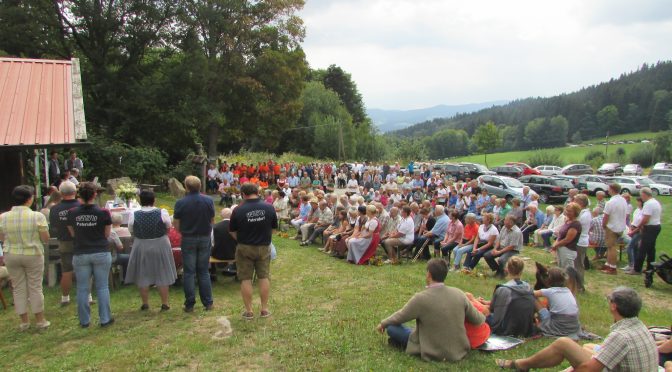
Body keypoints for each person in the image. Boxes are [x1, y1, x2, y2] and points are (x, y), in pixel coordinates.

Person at [496, 286, 658, 371]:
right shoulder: (638, 326)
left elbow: (589, 369)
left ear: (614, 306)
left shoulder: (621, 336)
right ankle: (523, 365)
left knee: (564, 344)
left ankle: (521, 364)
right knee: (586, 346)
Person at [376, 258, 485, 362]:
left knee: (391, 328)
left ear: (429, 275)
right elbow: (478, 320)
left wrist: (383, 324)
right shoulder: (459, 294)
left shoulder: (421, 298)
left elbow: (400, 316)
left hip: (430, 349)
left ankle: (404, 342)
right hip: (458, 350)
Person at [0, 185, 51, 330]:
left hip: (11, 254)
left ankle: (24, 322)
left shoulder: (3, 217)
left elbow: (2, 237)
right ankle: (40, 320)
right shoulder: (37, 216)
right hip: (32, 253)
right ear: (29, 199)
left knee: (18, 287)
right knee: (35, 286)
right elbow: (45, 238)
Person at [67, 182, 114, 328]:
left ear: (79, 195)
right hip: (100, 250)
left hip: (81, 251)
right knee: (102, 287)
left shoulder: (72, 212)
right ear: (94, 194)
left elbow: (72, 233)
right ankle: (105, 318)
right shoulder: (104, 213)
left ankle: (84, 320)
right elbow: (107, 234)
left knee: (82, 288)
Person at [229, 183, 278, 320]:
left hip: (245, 247)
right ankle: (264, 309)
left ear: (243, 194)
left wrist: (243, 239)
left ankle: (249, 311)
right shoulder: (269, 207)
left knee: (245, 278)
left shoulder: (238, 209)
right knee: (263, 277)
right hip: (263, 246)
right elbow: (274, 229)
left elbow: (232, 231)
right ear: (257, 192)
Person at [125, 190, 177, 311]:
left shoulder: (134, 213)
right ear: (153, 200)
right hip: (160, 243)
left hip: (142, 244)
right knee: (162, 271)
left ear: (140, 201)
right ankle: (164, 302)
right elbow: (168, 226)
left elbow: (131, 229)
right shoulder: (162, 212)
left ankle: (145, 303)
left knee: (143, 273)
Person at [173, 176, 215, 312]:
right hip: (204, 237)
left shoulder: (180, 203)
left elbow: (176, 224)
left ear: (186, 187)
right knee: (203, 271)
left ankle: (190, 303)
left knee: (189, 272)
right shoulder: (208, 201)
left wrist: (184, 231)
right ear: (200, 185)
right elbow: (212, 220)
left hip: (188, 237)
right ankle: (208, 303)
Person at [481, 257, 536, 337]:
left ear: (507, 269)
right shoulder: (529, 288)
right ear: (521, 270)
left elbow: (493, 309)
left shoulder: (504, 289)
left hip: (505, 329)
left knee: (482, 312)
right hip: (526, 328)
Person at [49, 181, 81, 306]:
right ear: (75, 192)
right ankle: (88, 296)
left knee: (66, 270)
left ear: (61, 193)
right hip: (81, 241)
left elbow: (53, 228)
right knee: (84, 268)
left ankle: (65, 297)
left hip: (64, 241)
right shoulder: (80, 206)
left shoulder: (55, 209)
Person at [534, 267, 581, 337]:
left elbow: (530, 293)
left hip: (558, 326)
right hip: (574, 326)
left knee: (533, 298)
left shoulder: (550, 291)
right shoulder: (568, 291)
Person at [631, 187, 662, 275]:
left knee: (642, 249)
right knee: (651, 249)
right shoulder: (655, 202)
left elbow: (646, 219)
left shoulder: (648, 204)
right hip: (656, 226)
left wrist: (639, 226)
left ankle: (637, 269)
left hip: (650, 227)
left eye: (641, 195)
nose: (641, 197)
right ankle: (650, 268)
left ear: (644, 194)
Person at [484, 214, 523, 279]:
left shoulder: (516, 232)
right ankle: (499, 270)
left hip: (512, 250)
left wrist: (499, 252)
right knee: (487, 255)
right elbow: (499, 240)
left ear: (510, 222)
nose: (503, 221)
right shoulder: (504, 227)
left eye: (505, 220)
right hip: (502, 247)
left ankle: (502, 274)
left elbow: (511, 246)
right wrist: (495, 249)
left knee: (501, 260)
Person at [601, 183, 628, 275]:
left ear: (612, 189)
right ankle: (608, 264)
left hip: (612, 227)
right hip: (620, 226)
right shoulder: (623, 200)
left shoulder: (610, 202)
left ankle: (612, 267)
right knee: (610, 247)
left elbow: (606, 216)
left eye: (609, 189)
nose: (608, 190)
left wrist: (604, 225)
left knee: (612, 247)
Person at [551, 202, 582, 270]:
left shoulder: (575, 224)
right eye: (566, 210)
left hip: (568, 251)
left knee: (568, 272)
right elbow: (561, 235)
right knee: (561, 270)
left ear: (575, 212)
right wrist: (556, 242)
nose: (567, 212)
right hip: (561, 248)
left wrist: (555, 245)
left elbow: (567, 240)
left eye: (570, 211)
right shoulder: (567, 221)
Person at [574, 194, 592, 291]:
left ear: (580, 203)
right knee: (576, 264)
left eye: (575, 201)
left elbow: (577, 226)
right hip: (580, 240)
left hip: (580, 241)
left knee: (578, 265)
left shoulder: (585, 215)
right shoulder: (583, 213)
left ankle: (580, 286)